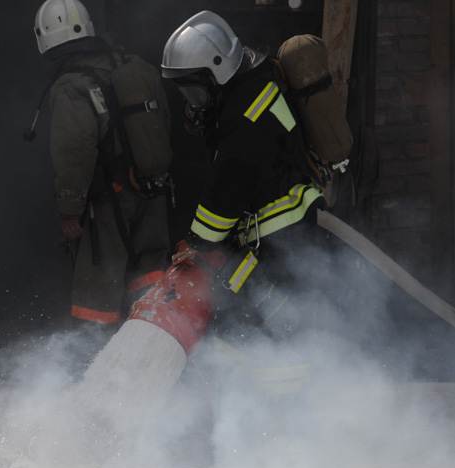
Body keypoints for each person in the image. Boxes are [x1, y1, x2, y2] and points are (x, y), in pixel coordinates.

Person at [160, 11, 330, 353]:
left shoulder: (251, 109)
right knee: (253, 324)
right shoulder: (245, 87)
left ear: (218, 70)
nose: (193, 104)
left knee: (274, 326)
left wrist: (198, 242)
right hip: (266, 227)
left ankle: (285, 395)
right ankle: (250, 396)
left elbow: (231, 181)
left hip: (282, 229)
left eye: (195, 92)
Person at [33, 0, 172, 334]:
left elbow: (74, 151)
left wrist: (69, 209)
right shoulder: (131, 64)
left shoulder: (71, 85)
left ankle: (93, 357)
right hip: (150, 188)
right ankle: (153, 343)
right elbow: (163, 121)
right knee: (150, 274)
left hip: (109, 202)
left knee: (97, 288)